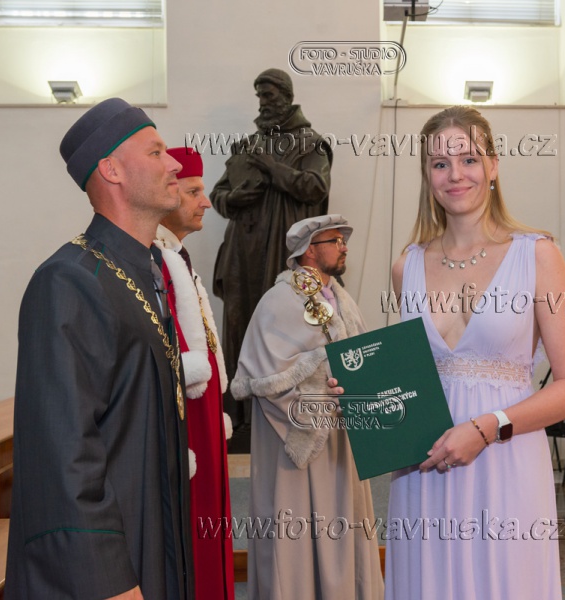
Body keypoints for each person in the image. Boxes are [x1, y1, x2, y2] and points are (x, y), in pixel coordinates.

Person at [384, 106, 565, 599]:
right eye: (440, 163)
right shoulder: (406, 266)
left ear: (493, 166)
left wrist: (486, 428)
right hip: (425, 469)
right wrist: (365, 396)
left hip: (505, 461)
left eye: (469, 159)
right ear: (427, 175)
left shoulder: (537, 254)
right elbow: (411, 379)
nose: (455, 174)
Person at [6, 98, 193, 599]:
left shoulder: (144, 272)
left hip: (152, 538)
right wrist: (108, 582)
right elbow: (63, 453)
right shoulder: (68, 281)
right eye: (155, 152)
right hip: (106, 573)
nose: (174, 163)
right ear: (111, 170)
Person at [231, 214, 383, 600]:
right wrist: (321, 402)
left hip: (344, 441)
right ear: (309, 250)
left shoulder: (342, 298)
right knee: (296, 532)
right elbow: (266, 378)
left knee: (345, 526)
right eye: (336, 241)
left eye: (344, 241)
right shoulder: (279, 301)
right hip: (298, 443)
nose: (344, 247)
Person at [211, 68, 332, 431]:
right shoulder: (246, 145)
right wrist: (234, 198)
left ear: (286, 96)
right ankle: (239, 419)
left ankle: (281, 416)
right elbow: (217, 194)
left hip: (282, 250)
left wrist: (272, 167)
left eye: (269, 94)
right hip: (242, 251)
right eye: (259, 95)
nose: (262, 102)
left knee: (283, 328)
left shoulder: (311, 144)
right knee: (238, 324)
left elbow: (315, 187)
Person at [154, 147, 235, 600]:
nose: (206, 202)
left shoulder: (178, 257)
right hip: (186, 415)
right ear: (167, 194)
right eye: (193, 192)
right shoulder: (154, 259)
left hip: (205, 413)